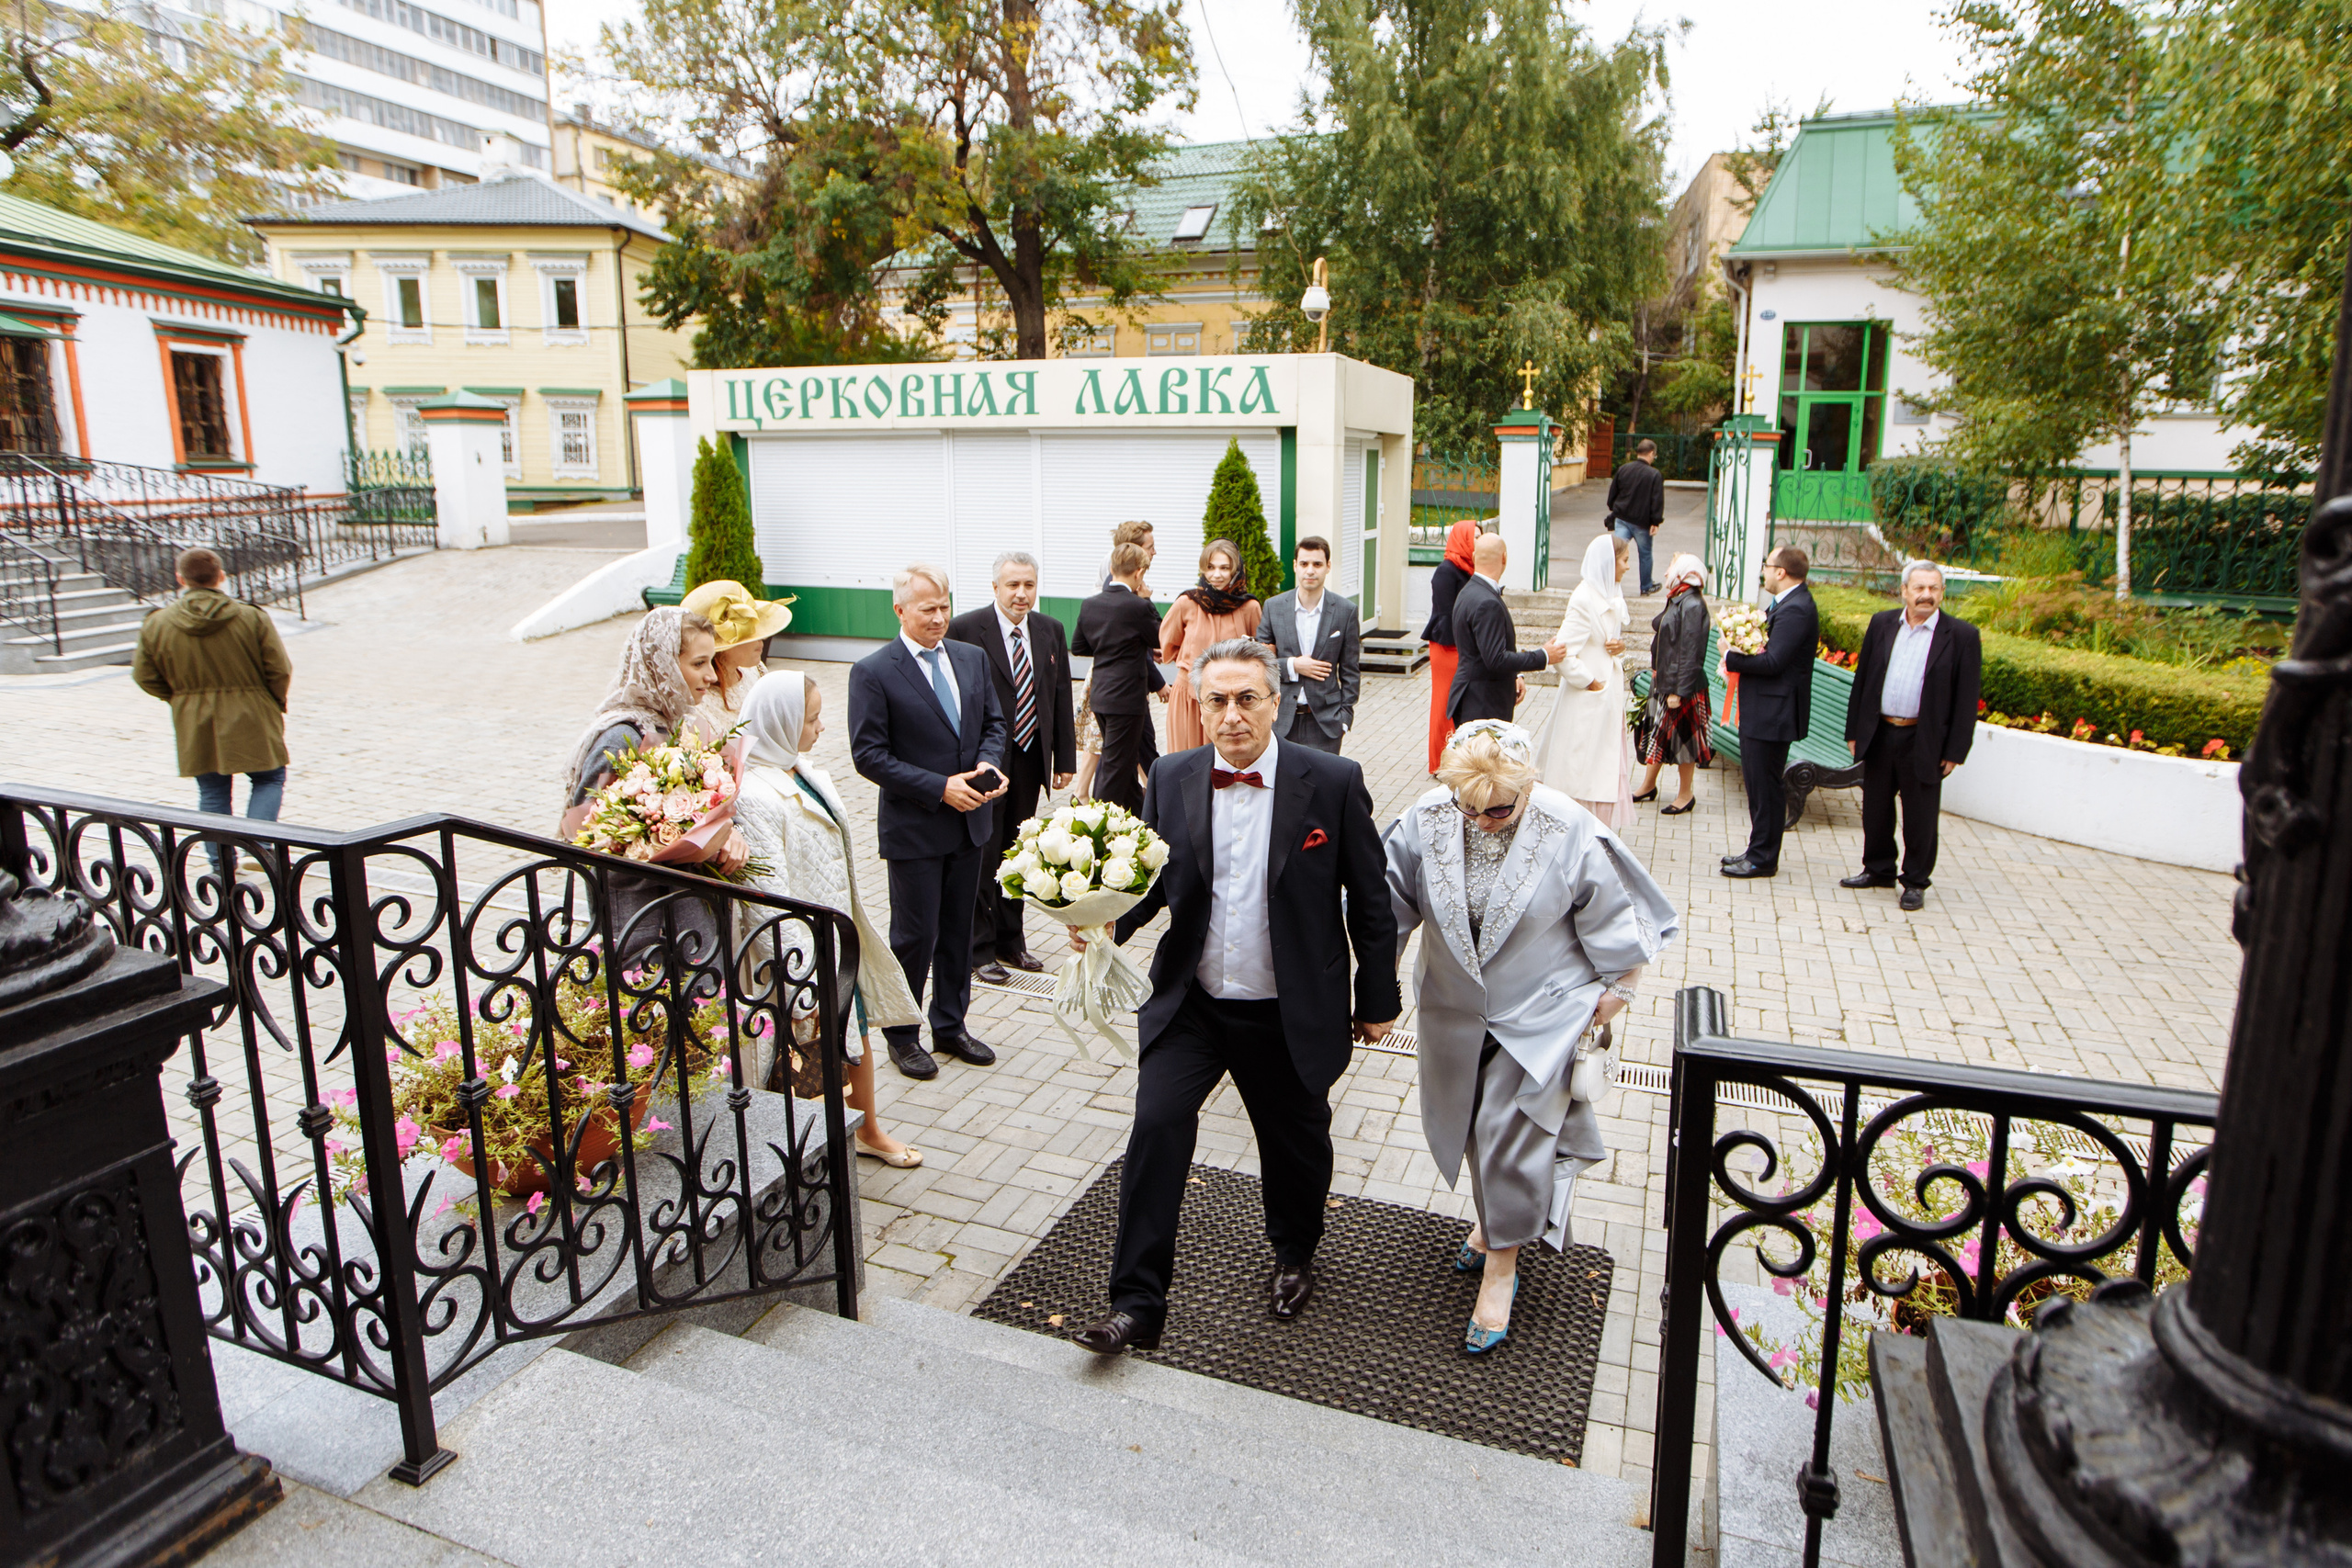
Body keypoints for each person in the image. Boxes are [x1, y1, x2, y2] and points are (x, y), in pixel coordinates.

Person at [1069, 639, 1401, 1356]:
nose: (1231, 715)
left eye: (1247, 698)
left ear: (1276, 702)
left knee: (1296, 1148)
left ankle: (1295, 1251)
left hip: (1289, 1008)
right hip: (1193, 1002)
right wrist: (1103, 919)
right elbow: (1153, 880)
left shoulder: (1333, 780)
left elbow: (1372, 902)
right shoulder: (1172, 774)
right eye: (1216, 700)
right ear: (1197, 706)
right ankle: (1135, 1302)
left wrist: (1377, 997)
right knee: (1156, 1126)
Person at [1382, 720, 1677, 1351]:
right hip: (1452, 1009)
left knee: (1508, 1135)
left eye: (1499, 809)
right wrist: (1371, 983)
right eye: (1469, 808)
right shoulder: (1426, 818)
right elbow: (1388, 907)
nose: (1482, 821)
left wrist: (1618, 991)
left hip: (1544, 1010)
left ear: (1529, 785)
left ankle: (1502, 1266)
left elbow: (1615, 913)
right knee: (1468, 1127)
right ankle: (1496, 1226)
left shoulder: (1567, 826)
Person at [734, 672, 925, 1167]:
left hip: (836, 937)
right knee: (813, 1055)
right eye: (811, 719)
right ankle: (814, 1150)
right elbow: (768, 900)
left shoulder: (801, 768)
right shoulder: (754, 795)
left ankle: (868, 1130)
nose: (821, 728)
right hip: (805, 954)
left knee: (856, 1033)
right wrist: (800, 981)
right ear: (779, 723)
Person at [846, 565, 1009, 1080]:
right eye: (927, 610)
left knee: (959, 932)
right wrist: (940, 787)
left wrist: (987, 765)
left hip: (970, 824)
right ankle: (902, 1034)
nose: (940, 618)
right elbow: (869, 756)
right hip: (915, 829)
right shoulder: (873, 672)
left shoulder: (971, 657)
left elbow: (994, 723)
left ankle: (950, 1026)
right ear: (900, 611)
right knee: (914, 937)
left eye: (944, 607)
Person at [560, 607, 750, 960]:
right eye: (699, 663)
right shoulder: (621, 737)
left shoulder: (682, 725)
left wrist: (727, 832)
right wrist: (665, 837)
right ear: (662, 666)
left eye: (711, 662)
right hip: (643, 929)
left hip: (689, 913)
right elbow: (584, 836)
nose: (711, 676)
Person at [949, 550, 1077, 982]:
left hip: (1029, 758)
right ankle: (978, 948)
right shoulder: (966, 629)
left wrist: (1064, 758)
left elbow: (1060, 694)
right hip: (985, 761)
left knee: (1018, 853)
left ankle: (1011, 940)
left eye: (1029, 585)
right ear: (995, 588)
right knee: (984, 854)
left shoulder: (1050, 630)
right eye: (1013, 585)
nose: (1022, 594)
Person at [133, 547, 293, 881]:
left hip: (195, 718)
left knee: (212, 791)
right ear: (221, 576)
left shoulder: (157, 623)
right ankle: (259, 846)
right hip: (252, 710)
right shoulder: (251, 617)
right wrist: (272, 701)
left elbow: (144, 675)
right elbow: (279, 669)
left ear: (180, 579)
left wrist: (180, 699)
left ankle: (221, 866)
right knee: (268, 778)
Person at [1839, 561, 1983, 912]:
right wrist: (1854, 730)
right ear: (1904, 591)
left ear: (1942, 593)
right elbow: (1864, 679)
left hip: (1924, 738)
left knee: (1920, 817)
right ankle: (1878, 869)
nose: (1926, 595)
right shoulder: (1882, 623)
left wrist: (1956, 750)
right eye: (1919, 588)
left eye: (1933, 588)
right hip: (1880, 732)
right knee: (1875, 809)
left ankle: (1915, 881)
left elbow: (1967, 699)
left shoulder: (1961, 636)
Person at [1721, 547, 1820, 879]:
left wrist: (1731, 657)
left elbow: (1774, 661)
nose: (1763, 571)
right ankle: (1757, 849)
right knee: (1758, 784)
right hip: (1764, 710)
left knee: (1765, 786)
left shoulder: (1797, 609)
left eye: (1767, 565)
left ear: (1781, 572)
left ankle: (1763, 858)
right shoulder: (1785, 603)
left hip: (1774, 713)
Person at [1532, 532, 1635, 826]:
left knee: (1600, 769)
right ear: (1608, 562)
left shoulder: (1611, 592)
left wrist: (1619, 646)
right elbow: (1563, 653)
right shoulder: (1583, 599)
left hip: (1606, 702)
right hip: (1588, 701)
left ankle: (1595, 830)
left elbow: (1607, 639)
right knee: (1582, 770)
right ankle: (1578, 828)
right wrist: (1590, 681)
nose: (1628, 567)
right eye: (1625, 560)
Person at [1071, 541, 1165, 814]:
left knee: (1125, 761)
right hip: (1127, 699)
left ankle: (1140, 817)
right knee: (1116, 767)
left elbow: (1078, 647)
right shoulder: (1138, 606)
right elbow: (1160, 638)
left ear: (1112, 569)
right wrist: (1147, 600)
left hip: (1101, 695)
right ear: (1139, 573)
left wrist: (1108, 646)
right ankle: (1095, 822)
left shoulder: (1090, 604)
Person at [1256, 535, 1360, 754]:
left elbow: (1351, 670)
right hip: (1281, 720)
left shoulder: (1345, 611)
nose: (1310, 571)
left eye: (1317, 564)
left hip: (1326, 723)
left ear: (1328, 566)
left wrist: (1344, 718)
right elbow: (1258, 663)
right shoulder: (1273, 607)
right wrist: (1293, 665)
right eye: (1304, 564)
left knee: (1324, 777)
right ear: (1295, 566)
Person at [1446, 533, 1565, 724]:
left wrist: (1516, 674)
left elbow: (1483, 650)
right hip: (1483, 703)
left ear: (1474, 557)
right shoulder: (1487, 602)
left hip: (1473, 697)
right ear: (1504, 558)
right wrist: (1544, 655)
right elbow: (1496, 659)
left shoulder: (1469, 591)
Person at [1159, 539, 1263, 751]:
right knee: (1185, 759)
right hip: (1189, 697)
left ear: (1236, 569)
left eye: (1224, 568)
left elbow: (1260, 653)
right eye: (1211, 567)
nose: (1217, 575)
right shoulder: (1187, 602)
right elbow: (1168, 644)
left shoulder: (1249, 607)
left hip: (1231, 700)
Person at [1636, 553, 1715, 816]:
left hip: (1681, 687)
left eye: (1671, 566)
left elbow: (1691, 652)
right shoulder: (1678, 597)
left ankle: (1685, 795)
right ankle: (1648, 785)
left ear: (1684, 571)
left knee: (1684, 742)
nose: (1666, 571)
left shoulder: (1692, 604)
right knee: (1659, 736)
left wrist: (1678, 692)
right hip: (1666, 681)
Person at [680, 578, 792, 745]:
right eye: (749, 632)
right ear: (722, 647)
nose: (761, 638)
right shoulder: (698, 702)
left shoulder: (756, 670)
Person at [1422, 520, 1480, 773]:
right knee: (1445, 703)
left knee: (1457, 702)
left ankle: (1456, 757)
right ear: (1462, 539)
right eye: (1474, 537)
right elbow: (1448, 614)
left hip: (1461, 646)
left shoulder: (1469, 568)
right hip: (1447, 646)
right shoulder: (1446, 571)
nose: (1478, 542)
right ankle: (1440, 762)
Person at [1608, 438, 1666, 596]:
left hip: (1622, 519)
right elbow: (1657, 500)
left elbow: (1613, 494)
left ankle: (1609, 584)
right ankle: (1646, 586)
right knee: (1645, 554)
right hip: (1642, 523)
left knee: (1616, 552)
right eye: (1655, 455)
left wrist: (1615, 509)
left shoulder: (1623, 469)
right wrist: (1655, 521)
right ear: (1651, 453)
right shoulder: (1654, 474)